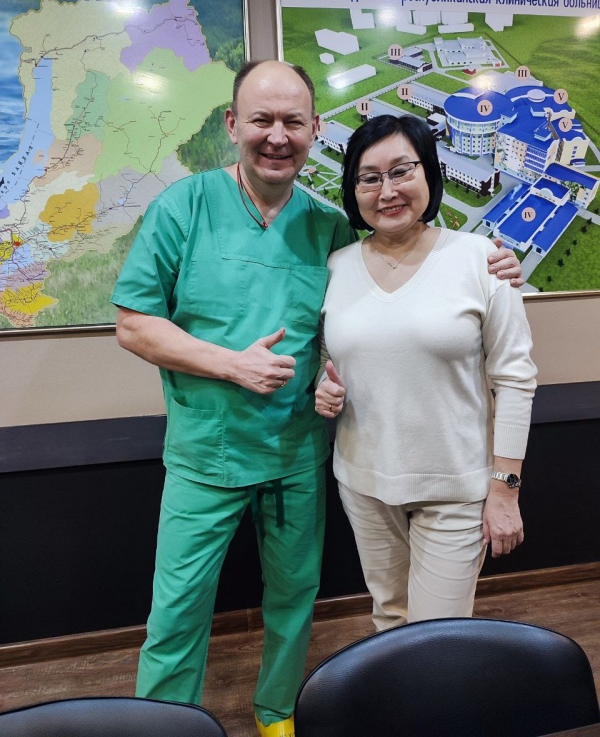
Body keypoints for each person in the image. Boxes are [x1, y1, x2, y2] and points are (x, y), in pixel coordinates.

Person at [111, 62, 524, 737]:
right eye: (262, 120)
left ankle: (278, 713)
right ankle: (163, 725)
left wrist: (491, 261)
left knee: (295, 598)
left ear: (314, 129)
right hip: (205, 452)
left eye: (292, 122)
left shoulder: (329, 229)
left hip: (298, 452)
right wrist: (232, 365)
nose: (277, 136)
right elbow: (133, 324)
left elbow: (379, 304)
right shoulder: (182, 208)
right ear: (233, 125)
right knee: (177, 608)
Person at [315, 113, 537, 632]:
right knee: (389, 619)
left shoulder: (481, 259)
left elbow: (515, 378)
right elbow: (327, 357)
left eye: (401, 171)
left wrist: (505, 490)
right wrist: (322, 388)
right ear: (353, 189)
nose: (387, 190)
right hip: (364, 483)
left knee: (438, 636)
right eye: (369, 178)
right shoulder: (335, 267)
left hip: (456, 487)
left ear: (429, 173)